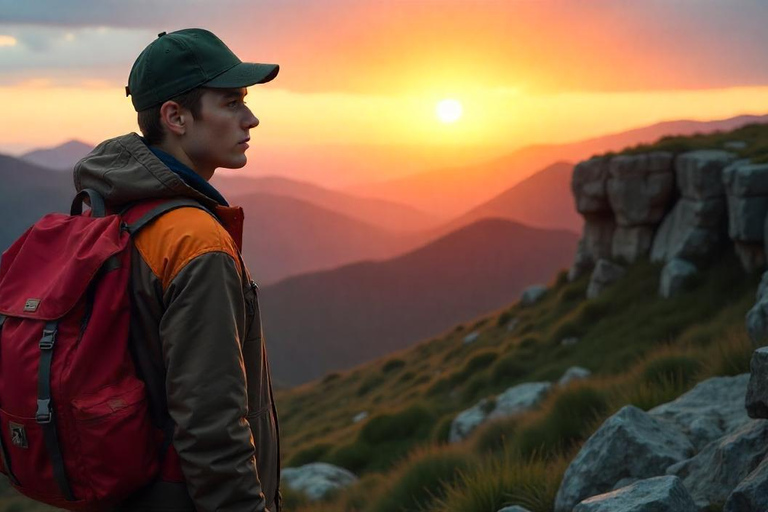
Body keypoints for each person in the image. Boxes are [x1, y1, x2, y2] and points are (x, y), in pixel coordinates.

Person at [73, 28, 281, 512]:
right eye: (231, 102)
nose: (251, 118)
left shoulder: (110, 213)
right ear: (176, 117)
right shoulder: (195, 242)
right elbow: (213, 429)